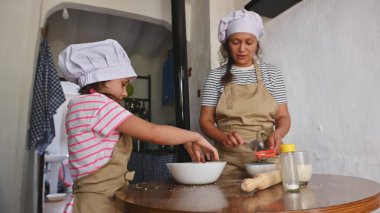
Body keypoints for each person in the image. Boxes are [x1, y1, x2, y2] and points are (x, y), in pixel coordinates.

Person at [58, 39, 219, 213]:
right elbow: (153, 132)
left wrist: (184, 139)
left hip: (89, 200)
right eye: (123, 84)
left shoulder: (80, 104)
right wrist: (194, 136)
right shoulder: (99, 105)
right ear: (103, 77)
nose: (125, 93)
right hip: (99, 204)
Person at [199, 9, 291, 179]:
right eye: (235, 42)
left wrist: (278, 134)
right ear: (227, 44)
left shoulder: (272, 73)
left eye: (249, 42)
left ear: (257, 43)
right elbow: (205, 121)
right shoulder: (215, 76)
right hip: (228, 162)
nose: (242, 49)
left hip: (266, 159)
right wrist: (222, 136)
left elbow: (283, 117)